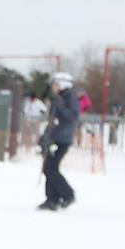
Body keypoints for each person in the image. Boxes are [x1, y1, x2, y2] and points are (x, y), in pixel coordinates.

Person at [39, 72, 78, 211]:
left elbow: (72, 116)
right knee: (48, 168)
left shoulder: (69, 98)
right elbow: (52, 120)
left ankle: (68, 195)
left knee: (51, 168)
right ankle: (52, 199)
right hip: (54, 137)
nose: (53, 87)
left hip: (62, 139)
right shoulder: (59, 98)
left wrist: (60, 105)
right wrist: (44, 137)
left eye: (55, 84)